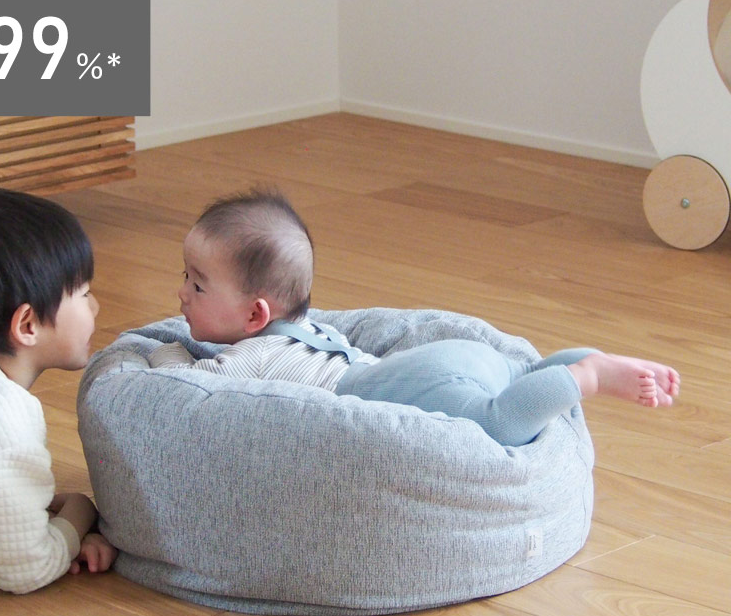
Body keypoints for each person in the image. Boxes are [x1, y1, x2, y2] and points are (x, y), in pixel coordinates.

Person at [150, 188, 680, 446]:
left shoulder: (254, 355)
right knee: (521, 374)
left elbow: (181, 386)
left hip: (404, 386)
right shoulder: (309, 330)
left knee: (497, 425)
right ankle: (584, 360)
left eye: (196, 285)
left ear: (256, 314)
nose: (181, 295)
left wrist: (167, 347)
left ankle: (588, 375)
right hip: (441, 362)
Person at [0, 187, 117, 593]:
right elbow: (25, 568)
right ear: (27, 325)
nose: (96, 307)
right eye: (84, 294)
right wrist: (79, 513)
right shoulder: (1, 433)